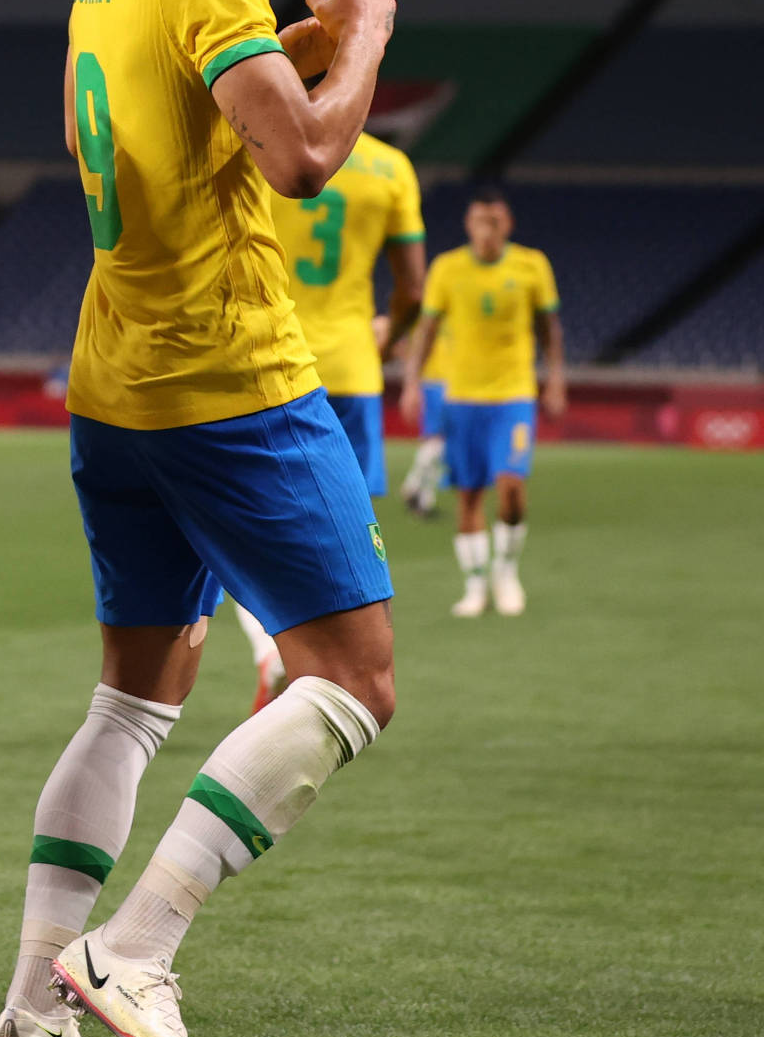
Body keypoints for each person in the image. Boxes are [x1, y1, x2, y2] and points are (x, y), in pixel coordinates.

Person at [0, 0, 398, 1037]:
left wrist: (284, 49)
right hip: (226, 381)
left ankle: (32, 1008)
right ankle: (135, 951)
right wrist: (366, 42)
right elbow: (305, 155)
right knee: (351, 679)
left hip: (114, 378)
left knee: (133, 699)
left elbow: (116, 124)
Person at [241, 130, 425, 708]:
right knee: (346, 532)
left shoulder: (258, 143)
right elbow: (413, 289)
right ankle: (347, 672)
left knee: (238, 527)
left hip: (268, 359)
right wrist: (388, 337)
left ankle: (274, 648)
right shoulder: (392, 167)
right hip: (351, 368)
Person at [402, 186, 564, 617]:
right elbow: (428, 330)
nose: (486, 230)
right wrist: (412, 382)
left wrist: (555, 380)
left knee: (511, 488)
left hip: (513, 396)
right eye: (478, 221)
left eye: (494, 222)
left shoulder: (532, 266)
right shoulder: (447, 268)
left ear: (507, 224)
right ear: (468, 224)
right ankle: (475, 587)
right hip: (462, 398)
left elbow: (549, 328)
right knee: (468, 496)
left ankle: (506, 571)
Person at [399, 323, 452, 518]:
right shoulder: (428, 311)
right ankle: (413, 486)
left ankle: (423, 497)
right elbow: (402, 342)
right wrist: (412, 376)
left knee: (438, 441)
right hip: (436, 381)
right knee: (438, 441)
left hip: (446, 381)